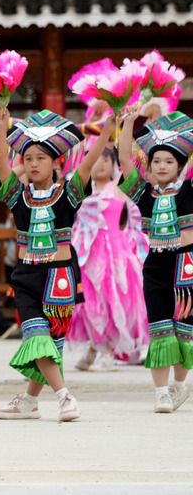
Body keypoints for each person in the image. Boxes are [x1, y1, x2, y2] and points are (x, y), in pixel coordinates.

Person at [0, 107, 113, 423]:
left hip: (59, 277)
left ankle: (30, 401)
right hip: (25, 275)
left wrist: (108, 130)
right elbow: (3, 164)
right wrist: (2, 128)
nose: (32, 163)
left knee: (49, 344)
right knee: (37, 339)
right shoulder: (18, 196)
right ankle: (64, 397)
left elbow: (87, 162)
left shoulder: (68, 194)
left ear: (56, 161)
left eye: (40, 158)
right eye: (28, 157)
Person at [118, 107, 193, 412]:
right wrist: (127, 123)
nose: (162, 166)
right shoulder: (144, 195)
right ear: (148, 168)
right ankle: (161, 392)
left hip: (186, 265)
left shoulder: (189, 191)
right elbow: (124, 158)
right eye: (156, 161)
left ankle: (179, 385)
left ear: (180, 166)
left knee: (184, 328)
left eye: (169, 161)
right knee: (160, 327)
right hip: (156, 266)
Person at [71, 142, 149, 371]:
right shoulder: (81, 189)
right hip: (85, 254)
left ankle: (106, 353)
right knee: (87, 303)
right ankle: (95, 348)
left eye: (107, 159)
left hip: (114, 254)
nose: (102, 164)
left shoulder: (119, 187)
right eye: (96, 159)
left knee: (111, 302)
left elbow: (137, 169)